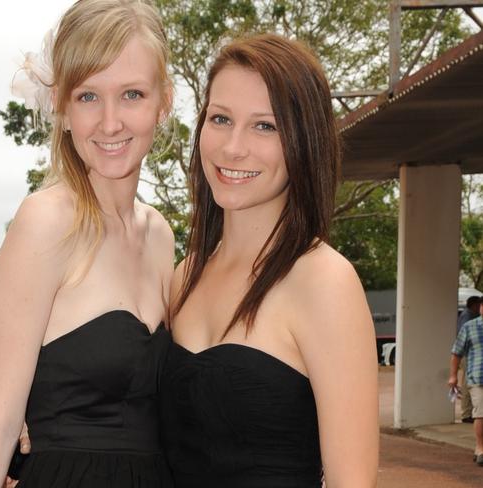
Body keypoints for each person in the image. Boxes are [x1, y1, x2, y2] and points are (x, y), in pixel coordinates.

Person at [0, 1, 174, 486]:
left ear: (164, 101)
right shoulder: (45, 222)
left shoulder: (160, 234)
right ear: (62, 105)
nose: (111, 121)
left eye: (133, 94)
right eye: (88, 96)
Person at [159, 33, 379, 487]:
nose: (233, 147)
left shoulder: (323, 279)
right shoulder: (184, 275)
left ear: (303, 141)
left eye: (265, 126)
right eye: (221, 118)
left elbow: (352, 481)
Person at [449, 300, 483, 466]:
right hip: (478, 378)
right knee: (480, 413)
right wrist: (453, 376)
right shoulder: (469, 326)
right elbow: (456, 352)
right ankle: (480, 448)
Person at [457, 296, 481, 423]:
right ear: (474, 305)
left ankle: (468, 412)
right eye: (479, 305)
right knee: (467, 382)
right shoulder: (468, 317)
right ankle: (466, 413)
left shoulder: (469, 315)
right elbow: (463, 339)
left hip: (468, 354)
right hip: (467, 354)